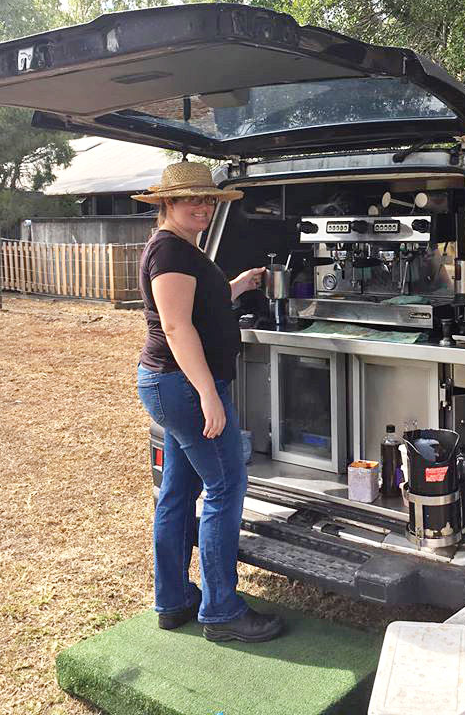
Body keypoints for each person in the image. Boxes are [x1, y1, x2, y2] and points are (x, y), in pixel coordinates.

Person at [133, 160, 283, 643]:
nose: (201, 206)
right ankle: (221, 612)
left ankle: (173, 601)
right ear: (167, 204)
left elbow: (198, 302)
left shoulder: (183, 250)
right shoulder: (171, 252)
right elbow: (176, 327)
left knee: (178, 492)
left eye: (207, 199)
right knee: (224, 488)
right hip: (182, 386)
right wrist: (206, 395)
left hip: (174, 384)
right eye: (190, 199)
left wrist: (236, 285)